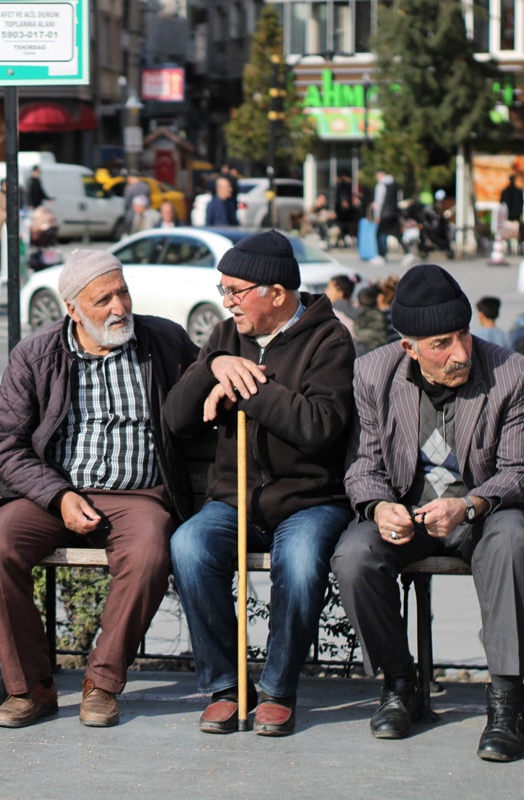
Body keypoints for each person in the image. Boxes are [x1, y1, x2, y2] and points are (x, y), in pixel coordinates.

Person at [0, 250, 199, 729]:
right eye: (103, 300)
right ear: (72, 309)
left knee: (150, 553)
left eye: (123, 292)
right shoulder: (35, 355)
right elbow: (7, 445)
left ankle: (102, 683)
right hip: (53, 492)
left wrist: (219, 371)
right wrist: (58, 495)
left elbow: (204, 378)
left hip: (138, 495)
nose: (119, 307)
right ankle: (31, 689)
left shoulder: (164, 341)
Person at [331, 264, 524, 762]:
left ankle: (506, 701)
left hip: (487, 511)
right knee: (354, 555)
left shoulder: (510, 371)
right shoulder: (372, 373)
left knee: (514, 540)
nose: (461, 352)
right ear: (410, 348)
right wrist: (380, 506)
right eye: (442, 344)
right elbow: (362, 465)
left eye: (464, 335)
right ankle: (400, 684)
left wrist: (468, 505)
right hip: (409, 513)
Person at [164, 230, 355, 736]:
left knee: (299, 559)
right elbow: (177, 419)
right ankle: (227, 687)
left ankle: (277, 690)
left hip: (308, 501)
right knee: (188, 546)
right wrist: (214, 366)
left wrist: (248, 389)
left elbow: (318, 427)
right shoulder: (226, 336)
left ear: (276, 292)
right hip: (234, 499)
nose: (226, 301)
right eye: (222, 289)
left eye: (235, 290)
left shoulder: (329, 339)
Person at [372, 169, 400, 263]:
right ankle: (408, 252)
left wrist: (377, 215)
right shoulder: (394, 184)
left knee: (379, 234)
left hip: (384, 213)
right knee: (397, 233)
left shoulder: (381, 185)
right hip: (394, 212)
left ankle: (381, 255)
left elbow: (379, 201)